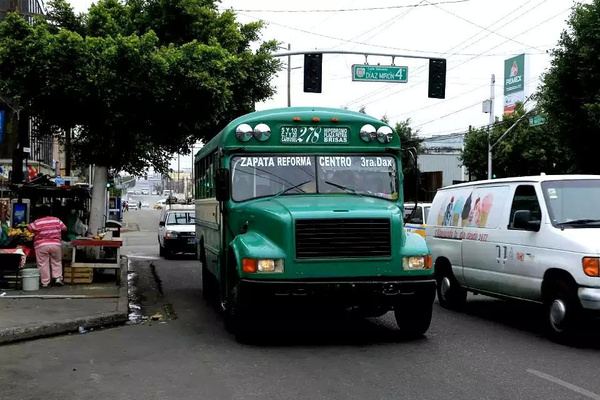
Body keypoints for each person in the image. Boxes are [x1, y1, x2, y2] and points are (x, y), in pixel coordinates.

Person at [27, 207, 67, 287]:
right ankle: (58, 278)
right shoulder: (56, 220)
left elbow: (30, 228)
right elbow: (64, 228)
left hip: (41, 245)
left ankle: (45, 282)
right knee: (56, 261)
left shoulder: (37, 222)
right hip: (56, 244)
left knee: (42, 263)